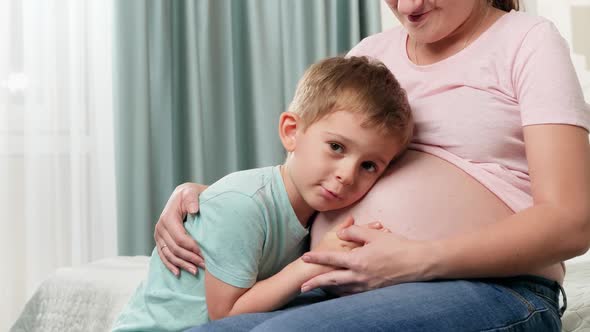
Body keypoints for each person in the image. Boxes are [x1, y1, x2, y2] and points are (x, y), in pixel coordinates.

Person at [155, 0, 590, 331]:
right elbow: (311, 170)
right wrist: (212, 195)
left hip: (497, 288)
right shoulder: (371, 52)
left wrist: (419, 260)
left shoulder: (528, 40)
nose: (408, 7)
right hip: (334, 284)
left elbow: (572, 222)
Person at [112, 56, 413, 331]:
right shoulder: (243, 206)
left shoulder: (314, 211)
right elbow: (227, 314)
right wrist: (316, 261)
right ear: (292, 131)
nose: (347, 176)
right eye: (336, 147)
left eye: (369, 165)